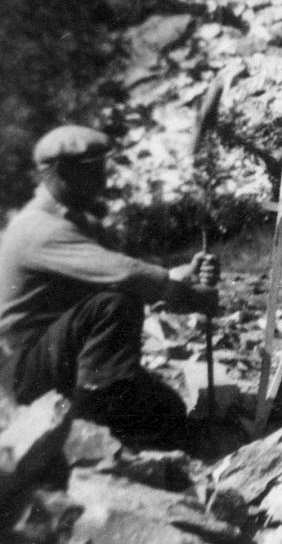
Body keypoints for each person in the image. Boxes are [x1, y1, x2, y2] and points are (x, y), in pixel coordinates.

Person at [0, 125, 220, 447]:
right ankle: (89, 420)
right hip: (23, 369)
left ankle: (102, 409)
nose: (103, 177)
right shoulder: (39, 227)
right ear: (62, 172)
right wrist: (192, 297)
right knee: (114, 304)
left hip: (51, 355)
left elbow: (117, 270)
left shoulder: (69, 220)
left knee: (168, 412)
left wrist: (181, 273)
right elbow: (126, 275)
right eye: (93, 169)